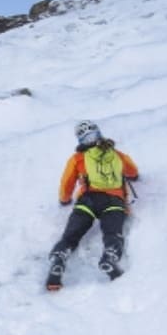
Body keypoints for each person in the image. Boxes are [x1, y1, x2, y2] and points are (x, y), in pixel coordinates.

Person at [47, 120, 139, 290]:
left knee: (71, 235)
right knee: (113, 234)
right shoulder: (116, 154)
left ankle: (60, 257)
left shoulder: (78, 158)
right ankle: (110, 256)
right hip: (114, 202)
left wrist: (64, 200)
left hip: (87, 200)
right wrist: (132, 176)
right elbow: (132, 171)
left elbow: (67, 182)